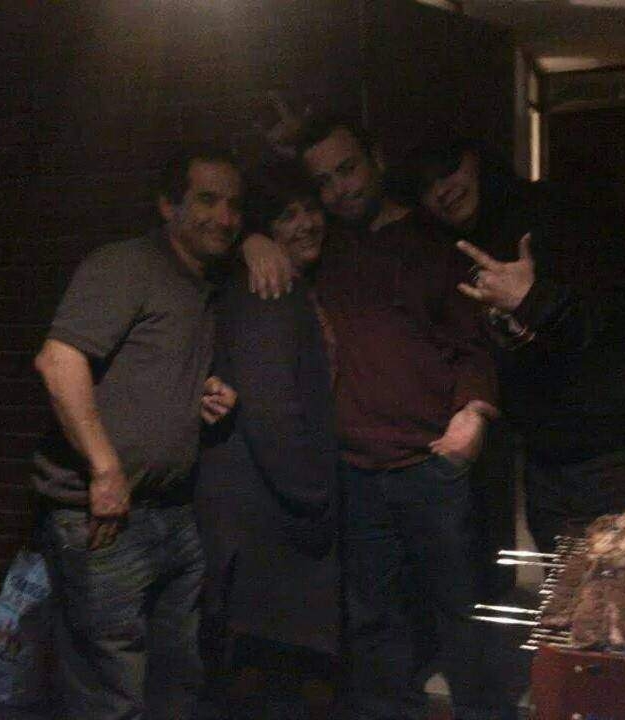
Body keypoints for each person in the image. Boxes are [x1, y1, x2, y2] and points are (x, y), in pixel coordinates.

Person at [241, 117, 497, 720]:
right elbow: (264, 218)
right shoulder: (322, 246)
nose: (340, 190)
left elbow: (473, 343)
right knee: (372, 623)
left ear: (375, 158)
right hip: (353, 472)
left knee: (461, 612)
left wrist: (475, 415)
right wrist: (253, 238)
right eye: (325, 182)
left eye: (348, 169)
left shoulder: (434, 241)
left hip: (431, 464)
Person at [31, 146, 242, 720]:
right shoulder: (126, 265)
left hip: (172, 512)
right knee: (110, 694)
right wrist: (105, 470)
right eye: (207, 199)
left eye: (234, 204)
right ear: (168, 205)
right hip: (105, 518)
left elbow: (144, 372)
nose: (224, 217)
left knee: (176, 683)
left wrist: (204, 391)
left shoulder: (199, 284)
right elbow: (59, 362)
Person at [406, 135, 625, 551]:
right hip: (548, 463)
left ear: (474, 160)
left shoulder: (561, 210)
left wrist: (534, 299)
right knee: (566, 589)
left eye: (447, 170)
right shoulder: (452, 247)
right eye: (425, 185)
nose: (441, 190)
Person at [195, 163, 339, 720]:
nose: (306, 224)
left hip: (270, 516)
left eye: (311, 209)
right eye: (287, 216)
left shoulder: (292, 283)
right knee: (275, 682)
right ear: (265, 230)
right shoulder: (269, 290)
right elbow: (272, 411)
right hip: (271, 520)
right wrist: (315, 493)